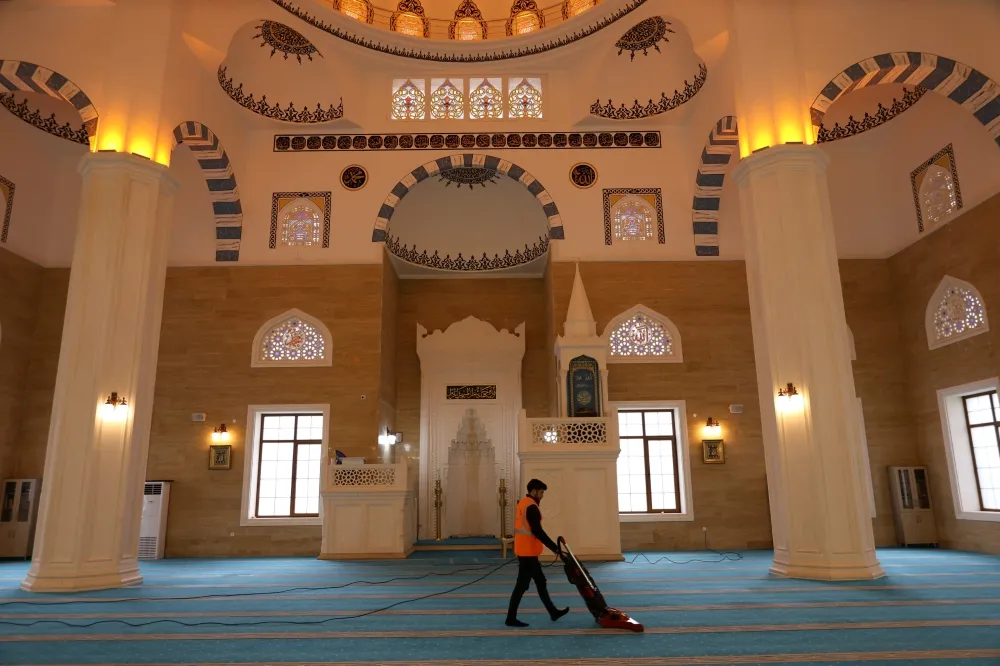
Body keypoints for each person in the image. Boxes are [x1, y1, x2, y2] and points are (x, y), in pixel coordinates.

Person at [505, 478, 570, 627]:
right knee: (523, 585)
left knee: (539, 582)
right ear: (533, 491)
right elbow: (538, 531)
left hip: (525, 551)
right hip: (527, 553)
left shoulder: (523, 503)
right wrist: (556, 548)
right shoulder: (531, 507)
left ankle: (552, 611)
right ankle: (511, 618)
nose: (542, 495)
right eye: (541, 492)